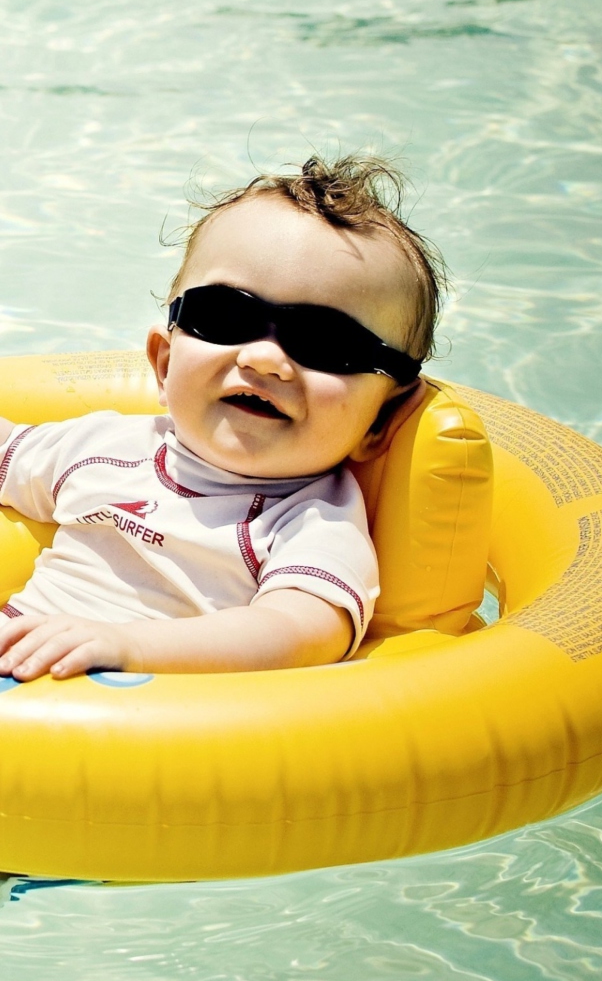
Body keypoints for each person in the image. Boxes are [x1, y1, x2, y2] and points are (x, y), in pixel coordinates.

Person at [0, 155, 444, 682]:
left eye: (328, 344)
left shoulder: (309, 520)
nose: (263, 358)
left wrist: (126, 644)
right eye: (226, 316)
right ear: (164, 363)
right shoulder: (101, 447)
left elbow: (300, 632)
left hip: (140, 725)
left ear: (381, 420)